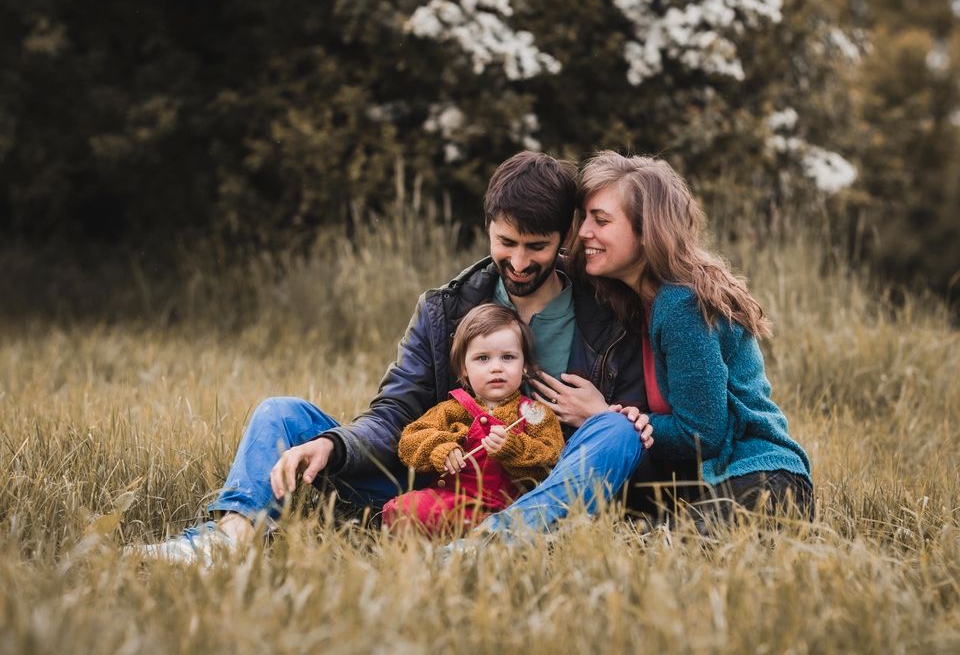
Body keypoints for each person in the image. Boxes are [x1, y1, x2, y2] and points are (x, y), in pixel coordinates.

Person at [131, 151, 653, 564]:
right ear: (488, 227)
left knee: (618, 432)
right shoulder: (445, 308)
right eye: (506, 242)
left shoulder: (607, 311)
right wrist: (334, 446)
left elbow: (633, 430)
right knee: (280, 412)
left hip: (545, 486)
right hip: (436, 484)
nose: (518, 261)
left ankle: (485, 550)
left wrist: (606, 414)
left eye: (536, 246)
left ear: (564, 237)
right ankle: (229, 539)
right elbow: (395, 413)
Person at [532, 150, 813, 524]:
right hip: (705, 483)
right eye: (584, 218)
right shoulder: (640, 300)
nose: (583, 232)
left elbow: (702, 434)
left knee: (660, 551)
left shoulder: (680, 303)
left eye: (600, 220)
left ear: (648, 231)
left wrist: (603, 417)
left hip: (761, 481)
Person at [381, 304, 563, 536]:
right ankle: (454, 539)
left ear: (524, 366)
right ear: (463, 369)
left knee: (525, 524)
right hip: (452, 501)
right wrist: (441, 449)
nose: (496, 367)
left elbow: (552, 460)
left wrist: (513, 449)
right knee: (404, 509)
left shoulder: (534, 414)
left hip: (510, 508)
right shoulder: (452, 409)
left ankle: (490, 535)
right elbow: (410, 441)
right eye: (482, 358)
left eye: (508, 357)